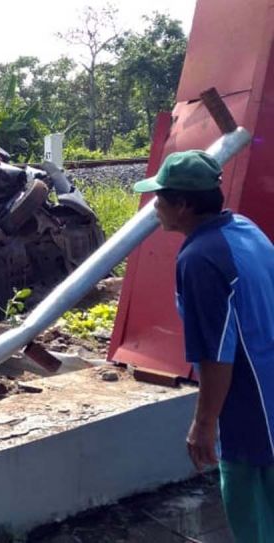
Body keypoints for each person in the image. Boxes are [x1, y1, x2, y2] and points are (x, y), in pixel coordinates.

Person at [133, 150, 274, 543]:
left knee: (254, 515)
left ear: (184, 205)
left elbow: (216, 353)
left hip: (254, 409)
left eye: (160, 198)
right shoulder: (244, 229)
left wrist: (204, 423)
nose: (154, 206)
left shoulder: (200, 259)